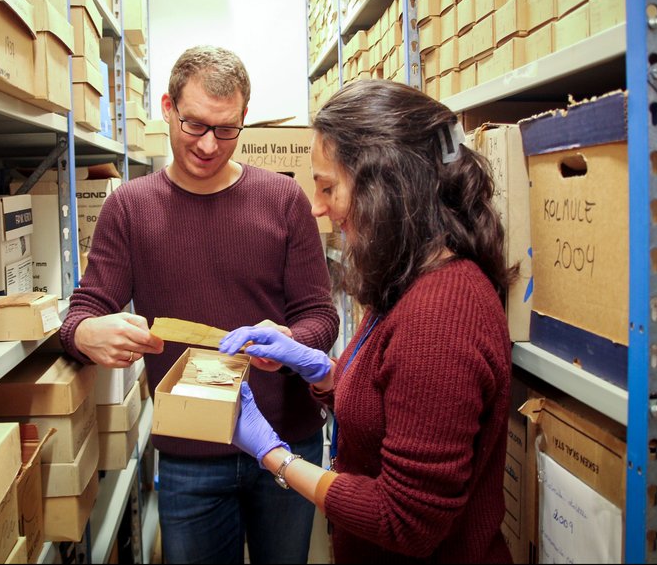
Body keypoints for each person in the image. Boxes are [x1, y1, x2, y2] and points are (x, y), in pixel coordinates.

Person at [58, 45, 340, 564]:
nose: (210, 145)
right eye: (194, 125)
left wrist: (292, 343)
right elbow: (83, 310)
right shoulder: (129, 207)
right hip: (189, 455)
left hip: (286, 443)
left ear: (244, 121)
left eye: (227, 129)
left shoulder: (283, 200)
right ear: (167, 106)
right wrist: (84, 334)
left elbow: (321, 317)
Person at [219, 79, 517, 563]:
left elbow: (405, 522)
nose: (316, 207)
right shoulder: (410, 278)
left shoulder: (441, 313)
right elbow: (399, 408)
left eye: (328, 186)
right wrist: (322, 372)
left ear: (386, 187)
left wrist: (274, 455)